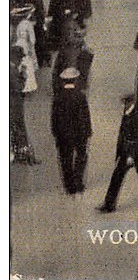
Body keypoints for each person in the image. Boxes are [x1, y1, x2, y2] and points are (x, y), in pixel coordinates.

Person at [97, 94, 138, 213]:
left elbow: (137, 137)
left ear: (130, 103)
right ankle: (109, 204)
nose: (124, 105)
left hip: (136, 154)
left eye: (126, 103)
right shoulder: (127, 113)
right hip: (127, 152)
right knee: (117, 177)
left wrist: (130, 156)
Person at [51, 66, 92, 195]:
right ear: (75, 80)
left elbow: (54, 118)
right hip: (79, 133)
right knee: (81, 156)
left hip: (63, 135)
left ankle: (69, 186)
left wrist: (56, 132)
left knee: (65, 159)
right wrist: (88, 131)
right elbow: (85, 116)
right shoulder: (80, 96)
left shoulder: (58, 97)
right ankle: (78, 182)